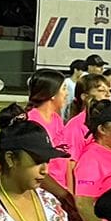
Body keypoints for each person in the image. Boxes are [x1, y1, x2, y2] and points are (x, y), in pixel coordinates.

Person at [23, 70, 76, 200]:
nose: (67, 93)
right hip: (43, 191)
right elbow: (32, 166)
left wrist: (69, 192)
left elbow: (66, 156)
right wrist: (62, 194)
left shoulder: (56, 119)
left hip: (61, 190)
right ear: (52, 94)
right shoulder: (32, 121)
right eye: (64, 89)